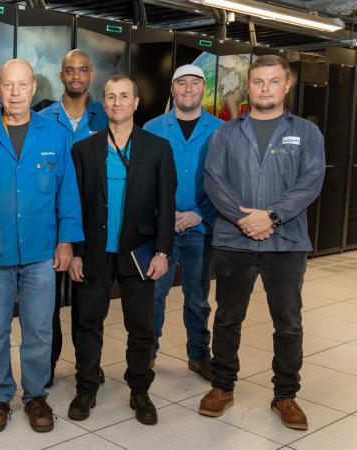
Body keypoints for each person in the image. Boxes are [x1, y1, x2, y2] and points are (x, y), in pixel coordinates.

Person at [0, 59, 83, 433]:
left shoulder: (55, 135)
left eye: (22, 85)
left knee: (39, 328)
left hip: (42, 252)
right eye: (8, 86)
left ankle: (35, 395)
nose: (14, 93)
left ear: (33, 89)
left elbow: (67, 194)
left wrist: (66, 242)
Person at [199, 55, 325, 431]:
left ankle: (285, 394)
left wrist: (269, 216)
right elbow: (213, 181)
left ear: (287, 86)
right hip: (233, 241)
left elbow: (310, 183)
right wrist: (244, 219)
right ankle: (222, 386)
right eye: (258, 81)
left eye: (273, 81)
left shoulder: (306, 133)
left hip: (285, 242)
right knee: (227, 318)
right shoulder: (225, 133)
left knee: (288, 322)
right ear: (248, 86)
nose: (265, 88)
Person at [68, 75, 176, 425]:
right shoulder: (84, 149)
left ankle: (140, 389)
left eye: (124, 96)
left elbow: (166, 205)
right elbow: (75, 205)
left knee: (141, 326)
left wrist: (162, 252)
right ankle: (86, 387)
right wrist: (76, 252)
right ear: (103, 102)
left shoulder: (157, 148)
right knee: (87, 322)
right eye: (111, 96)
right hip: (95, 251)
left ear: (136, 102)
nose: (117, 103)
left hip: (140, 252)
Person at [143, 64, 223, 380]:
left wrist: (201, 213)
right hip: (160, 229)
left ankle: (199, 356)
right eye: (181, 83)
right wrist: (163, 216)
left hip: (202, 228)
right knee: (154, 295)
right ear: (173, 89)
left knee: (197, 298)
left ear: (204, 89)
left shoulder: (221, 129)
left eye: (195, 83)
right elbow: (143, 179)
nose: (188, 89)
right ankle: (147, 353)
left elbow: (226, 182)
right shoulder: (152, 128)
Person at [39, 49, 108, 387]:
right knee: (46, 305)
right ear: (61, 76)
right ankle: (47, 365)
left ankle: (87, 366)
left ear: (91, 75)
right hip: (50, 225)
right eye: (70, 70)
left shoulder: (107, 118)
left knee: (87, 305)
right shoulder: (44, 119)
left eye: (83, 70)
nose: (76, 76)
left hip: (92, 227)